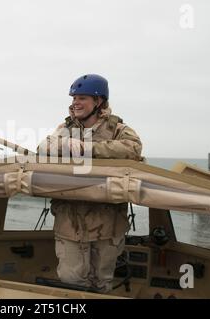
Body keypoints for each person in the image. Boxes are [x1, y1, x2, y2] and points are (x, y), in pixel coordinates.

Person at [38, 74, 142, 293]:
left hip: (107, 224)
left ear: (99, 102)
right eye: (74, 97)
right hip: (70, 224)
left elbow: (133, 149)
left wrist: (88, 148)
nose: (75, 102)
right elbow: (43, 148)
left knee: (102, 284)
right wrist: (68, 144)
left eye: (82, 98)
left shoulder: (118, 130)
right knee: (70, 283)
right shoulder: (65, 129)